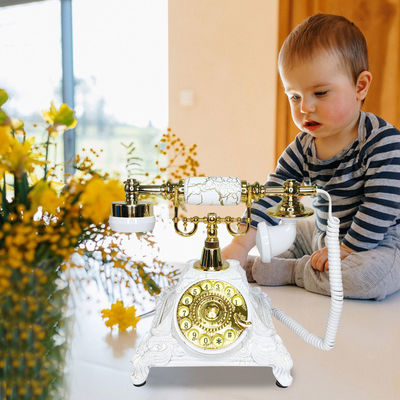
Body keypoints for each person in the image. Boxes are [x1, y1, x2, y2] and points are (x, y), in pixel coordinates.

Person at [222, 13, 400, 300]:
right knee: (279, 236)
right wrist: (241, 245)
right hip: (323, 234)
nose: (305, 107)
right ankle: (268, 264)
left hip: (380, 241)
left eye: (320, 93)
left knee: (367, 278)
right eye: (295, 96)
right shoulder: (303, 147)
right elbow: (273, 193)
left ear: (360, 87)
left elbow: (381, 205)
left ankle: (292, 271)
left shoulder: (382, 141)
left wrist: (346, 249)